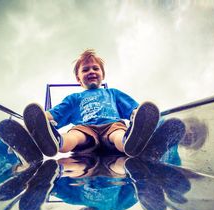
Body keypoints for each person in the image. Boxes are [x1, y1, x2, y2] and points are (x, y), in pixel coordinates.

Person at [23, 49, 160, 157]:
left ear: (103, 74)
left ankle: (129, 142)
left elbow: (133, 109)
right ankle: (56, 142)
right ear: (79, 79)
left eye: (95, 68)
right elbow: (55, 114)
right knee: (74, 136)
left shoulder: (112, 93)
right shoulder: (74, 98)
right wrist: (36, 120)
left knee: (118, 133)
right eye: (85, 69)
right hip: (85, 127)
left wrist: (139, 115)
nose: (91, 71)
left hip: (112, 125)